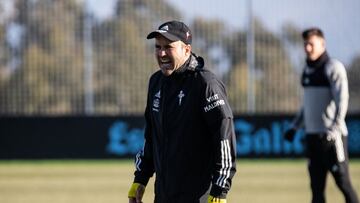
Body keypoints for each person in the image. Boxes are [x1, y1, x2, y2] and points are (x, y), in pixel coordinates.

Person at [127, 20, 237, 203]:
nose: (161, 53)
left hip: (198, 197)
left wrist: (219, 191)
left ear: (186, 50)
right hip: (163, 195)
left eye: (168, 47)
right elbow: (151, 137)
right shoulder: (155, 82)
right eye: (157, 47)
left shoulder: (205, 84)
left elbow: (224, 138)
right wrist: (140, 178)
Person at [284, 27, 359, 203]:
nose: (307, 48)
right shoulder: (307, 70)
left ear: (322, 44)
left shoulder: (333, 67)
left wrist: (334, 129)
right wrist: (295, 127)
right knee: (316, 189)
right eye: (305, 45)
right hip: (312, 138)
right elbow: (307, 105)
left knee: (344, 184)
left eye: (311, 44)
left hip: (332, 138)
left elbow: (343, 100)